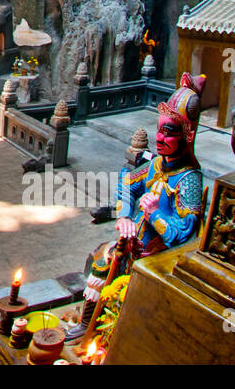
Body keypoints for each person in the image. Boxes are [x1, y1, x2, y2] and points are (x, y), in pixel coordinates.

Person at [67, 74, 206, 340]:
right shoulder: (155, 165)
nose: (160, 138)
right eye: (159, 129)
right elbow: (126, 180)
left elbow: (186, 233)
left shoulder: (189, 180)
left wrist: (155, 214)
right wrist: (124, 216)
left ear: (187, 135)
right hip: (132, 246)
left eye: (169, 132)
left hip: (161, 258)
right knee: (102, 259)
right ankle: (88, 325)